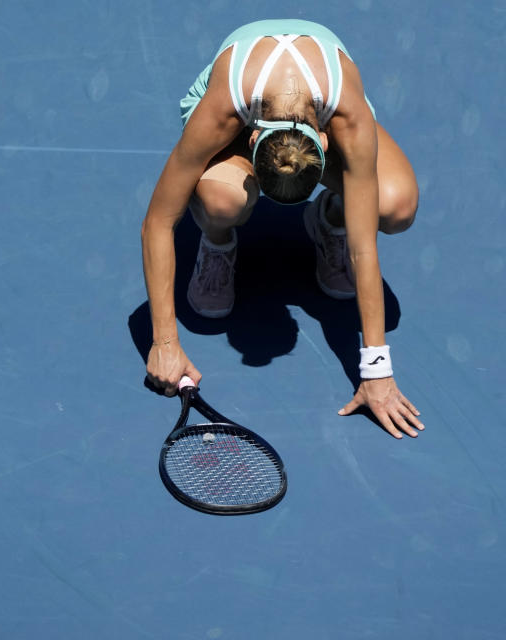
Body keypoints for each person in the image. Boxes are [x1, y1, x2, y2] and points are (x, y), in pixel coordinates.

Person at [141, 19, 424, 439]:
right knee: (224, 200)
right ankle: (218, 241)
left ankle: (329, 218)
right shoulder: (222, 110)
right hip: (243, 110)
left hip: (310, 114)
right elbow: (158, 221)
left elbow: (364, 249)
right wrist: (164, 343)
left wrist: (376, 372)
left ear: (325, 145)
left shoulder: (348, 114)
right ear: (251, 138)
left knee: (395, 206)